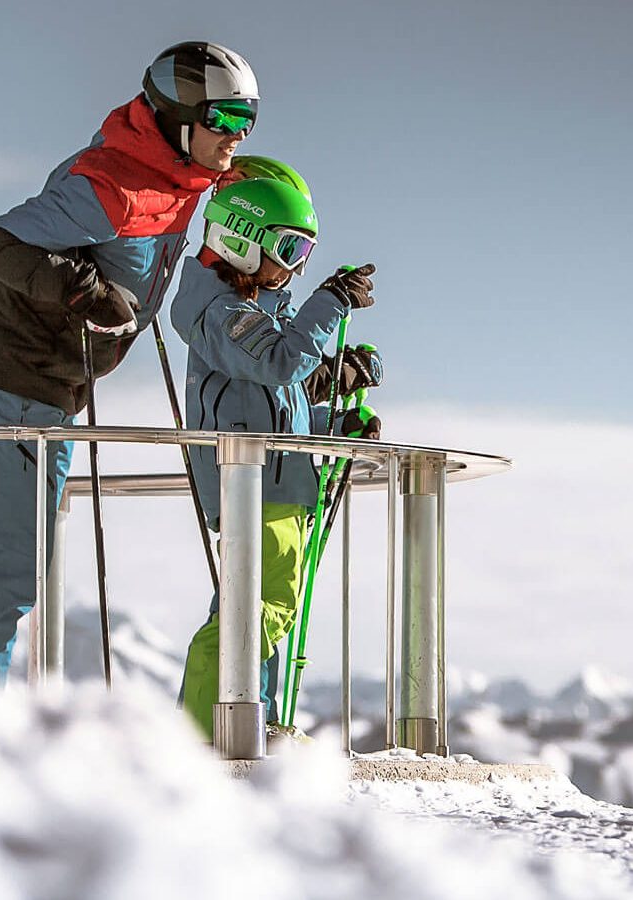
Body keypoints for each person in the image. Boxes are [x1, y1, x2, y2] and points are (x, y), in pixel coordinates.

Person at [0, 41, 260, 675]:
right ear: (176, 116)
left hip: (56, 383)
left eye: (248, 119)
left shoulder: (182, 173)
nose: (236, 136)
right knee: (11, 564)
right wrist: (85, 290)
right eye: (224, 118)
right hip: (9, 372)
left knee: (18, 560)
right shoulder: (109, 184)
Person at [167, 175, 382, 741]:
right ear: (241, 237)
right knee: (261, 614)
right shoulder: (218, 313)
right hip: (254, 489)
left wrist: (333, 427)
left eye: (304, 254)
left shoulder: (246, 312)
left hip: (276, 487)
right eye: (288, 249)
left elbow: (274, 410)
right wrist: (331, 303)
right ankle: (198, 737)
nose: (294, 268)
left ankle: (240, 729)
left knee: (257, 616)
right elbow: (282, 364)